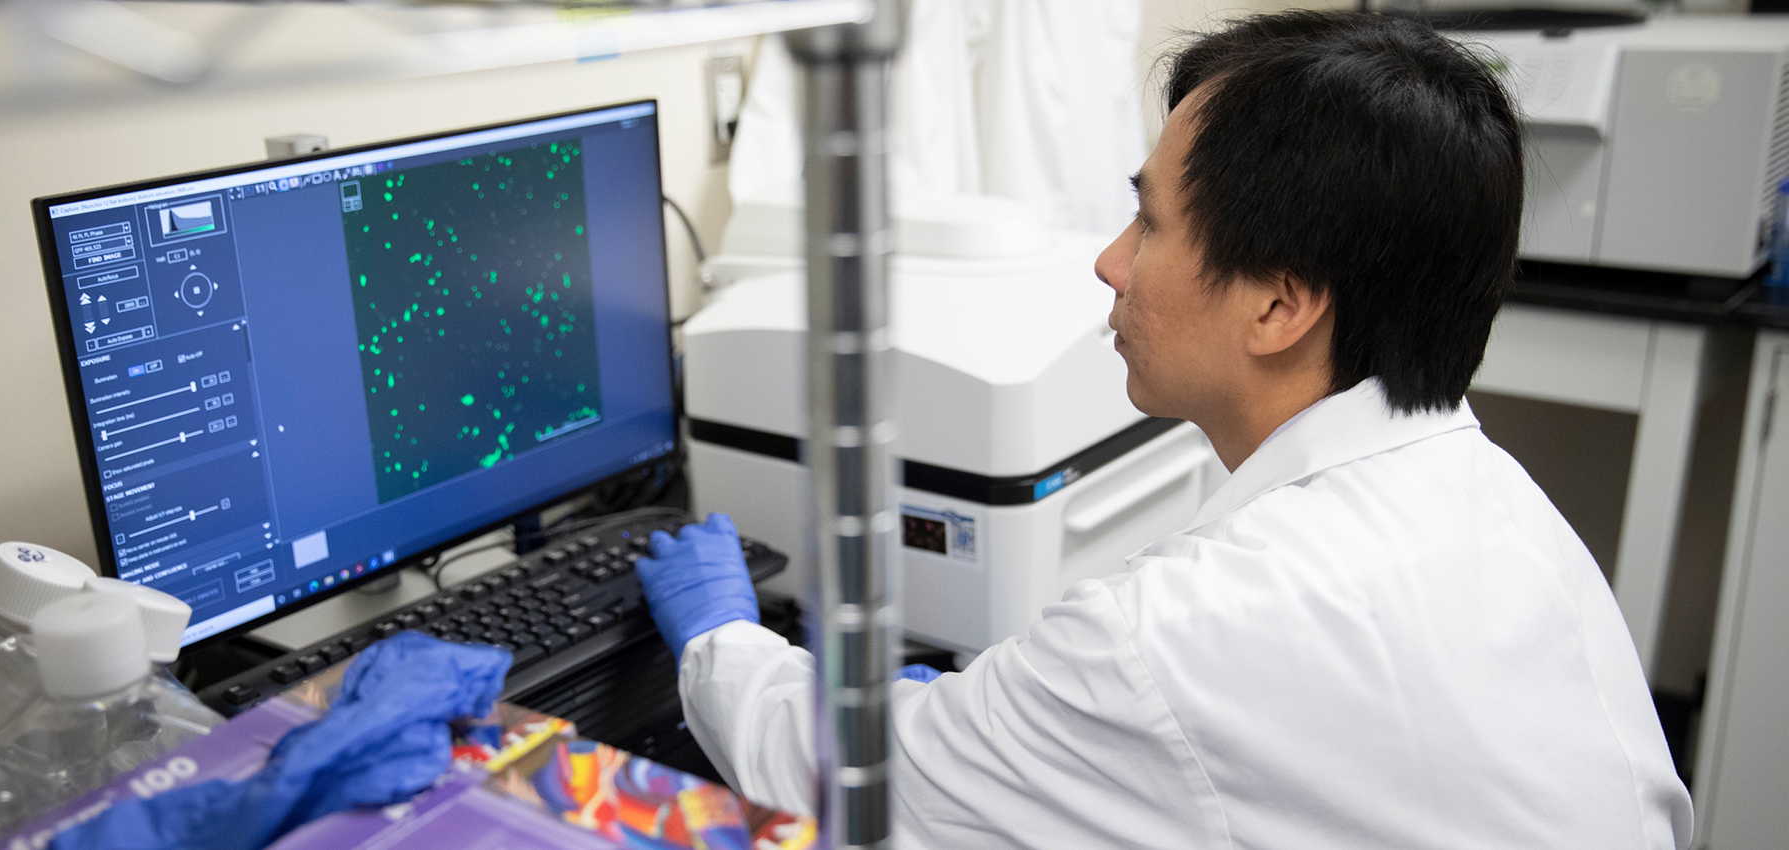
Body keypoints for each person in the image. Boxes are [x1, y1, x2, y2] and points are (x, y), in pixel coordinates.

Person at [635, 11, 1692, 849]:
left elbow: (863, 784)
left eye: (1150, 222)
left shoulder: (1180, 631)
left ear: (1279, 306)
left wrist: (723, 638)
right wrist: (1009, 731)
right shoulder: (1512, 513)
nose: (1108, 262)